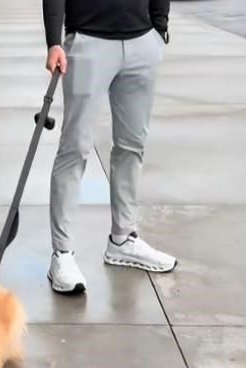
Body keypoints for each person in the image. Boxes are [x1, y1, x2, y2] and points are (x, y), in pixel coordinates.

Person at [44, 0, 176, 295]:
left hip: (142, 41)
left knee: (132, 146)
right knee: (74, 148)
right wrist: (54, 42)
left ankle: (122, 239)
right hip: (88, 41)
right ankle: (62, 254)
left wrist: (159, 27)